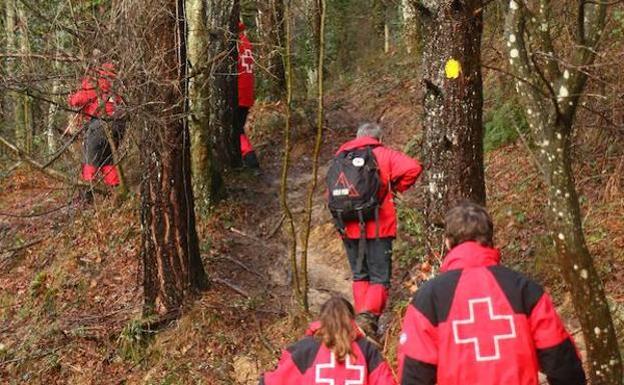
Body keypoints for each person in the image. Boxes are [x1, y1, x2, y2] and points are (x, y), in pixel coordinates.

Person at [398, 201, 586, 385]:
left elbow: (414, 373)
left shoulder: (429, 297)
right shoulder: (525, 290)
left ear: (448, 243)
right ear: (490, 240)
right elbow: (563, 365)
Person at [329, 123, 422, 334]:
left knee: (360, 275)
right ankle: (367, 322)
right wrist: (395, 188)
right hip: (380, 225)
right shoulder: (383, 154)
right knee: (380, 277)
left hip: (349, 225)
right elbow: (413, 168)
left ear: (357, 137)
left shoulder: (340, 157)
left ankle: (360, 322)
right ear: (378, 139)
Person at [259, 296, 396, 385]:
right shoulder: (367, 350)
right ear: (352, 319)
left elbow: (274, 381)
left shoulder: (305, 349)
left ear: (321, 319)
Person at [68, 62, 125, 194]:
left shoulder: (96, 79)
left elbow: (79, 99)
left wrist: (71, 99)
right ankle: (115, 190)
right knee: (108, 157)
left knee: (90, 157)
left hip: (101, 123)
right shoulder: (116, 81)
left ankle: (89, 192)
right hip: (120, 123)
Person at [236, 21, 260, 169]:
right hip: (247, 93)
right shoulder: (246, 42)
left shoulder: (236, 44)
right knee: (239, 128)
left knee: (237, 130)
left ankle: (250, 159)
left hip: (239, 93)